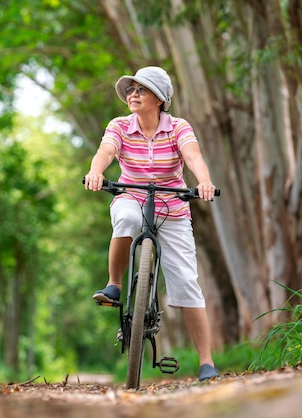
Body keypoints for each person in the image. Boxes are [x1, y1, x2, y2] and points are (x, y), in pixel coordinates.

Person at [83, 66, 220, 382]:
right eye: (130, 90)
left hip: (172, 205)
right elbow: (106, 151)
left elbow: (193, 156)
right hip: (131, 195)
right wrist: (96, 172)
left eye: (140, 90)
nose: (133, 95)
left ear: (160, 98)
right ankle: (115, 284)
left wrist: (205, 181)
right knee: (128, 218)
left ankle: (206, 362)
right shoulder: (119, 126)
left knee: (186, 280)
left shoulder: (177, 128)